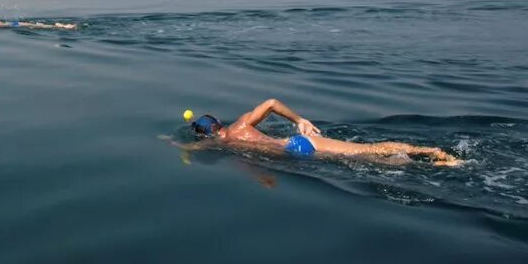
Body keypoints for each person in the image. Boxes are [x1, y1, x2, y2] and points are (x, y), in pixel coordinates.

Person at [187, 97, 461, 166]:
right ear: (218, 123)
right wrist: (298, 118)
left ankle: (432, 152)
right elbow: (270, 103)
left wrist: (168, 142)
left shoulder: (221, 144)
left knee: (368, 154)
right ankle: (430, 160)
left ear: (207, 133)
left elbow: (190, 149)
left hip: (298, 149)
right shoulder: (242, 124)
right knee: (369, 156)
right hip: (300, 144)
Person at [0, 0, 77, 30]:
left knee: (41, 27)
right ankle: (60, 26)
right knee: (39, 25)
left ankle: (63, 27)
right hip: (15, 23)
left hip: (13, 26)